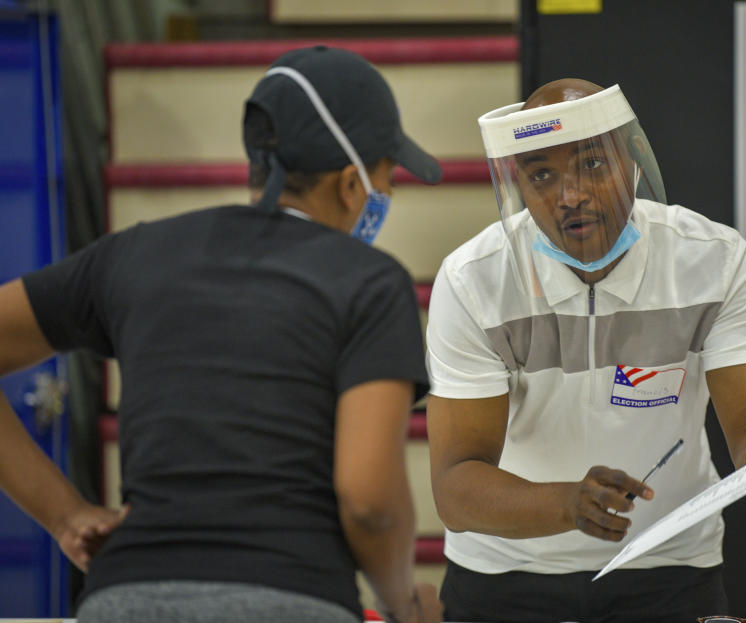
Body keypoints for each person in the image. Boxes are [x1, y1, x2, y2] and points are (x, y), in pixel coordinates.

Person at [0, 46, 445, 623]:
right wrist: (403, 605)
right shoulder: (370, 283)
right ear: (350, 185)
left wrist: (64, 515)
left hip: (125, 596)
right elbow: (369, 503)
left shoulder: (135, 253)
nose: (387, 193)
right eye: (388, 174)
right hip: (291, 596)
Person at [425, 79, 746, 623]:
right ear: (519, 184)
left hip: (668, 564)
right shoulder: (476, 280)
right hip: (505, 570)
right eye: (542, 175)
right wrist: (567, 505)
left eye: (593, 164)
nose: (570, 195)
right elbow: (456, 485)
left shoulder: (711, 260)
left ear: (634, 163)